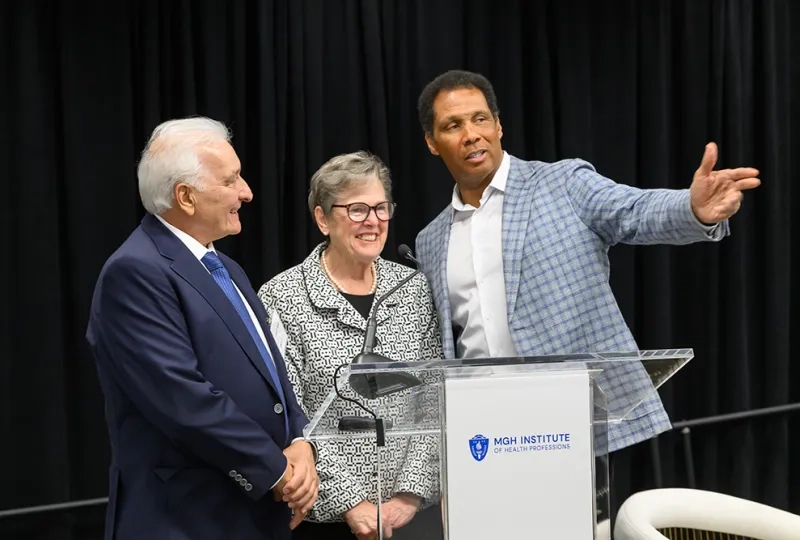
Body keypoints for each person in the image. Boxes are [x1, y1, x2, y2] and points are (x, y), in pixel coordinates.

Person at [414, 69, 761, 454]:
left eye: (480, 119)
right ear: (432, 142)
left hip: (571, 421)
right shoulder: (430, 240)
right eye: (453, 125)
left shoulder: (563, 183)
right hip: (480, 430)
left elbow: (634, 211)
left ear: (498, 125)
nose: (471, 134)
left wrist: (691, 208)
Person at [86, 117, 319, 540]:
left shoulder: (224, 267)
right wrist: (277, 471)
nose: (246, 192)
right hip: (187, 520)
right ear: (185, 197)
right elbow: (182, 398)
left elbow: (271, 375)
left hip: (253, 515)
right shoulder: (135, 272)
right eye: (230, 180)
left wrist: (301, 443)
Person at [258, 151, 443, 540]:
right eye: (357, 209)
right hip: (323, 520)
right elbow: (287, 412)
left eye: (381, 208)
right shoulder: (282, 296)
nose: (373, 221)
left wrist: (409, 496)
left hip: (411, 518)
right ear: (323, 219)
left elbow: (434, 397)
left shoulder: (412, 287)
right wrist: (350, 503)